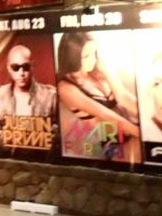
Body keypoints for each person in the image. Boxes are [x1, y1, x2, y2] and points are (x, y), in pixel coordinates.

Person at [56, 32, 140, 160]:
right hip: (113, 142)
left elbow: (123, 96)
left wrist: (147, 117)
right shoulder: (65, 88)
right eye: (86, 56)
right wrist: (141, 132)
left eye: (94, 53)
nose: (93, 60)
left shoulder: (99, 66)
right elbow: (108, 116)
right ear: (72, 57)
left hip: (132, 125)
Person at [0, 44, 57, 120]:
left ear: (32, 66)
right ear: (8, 68)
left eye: (26, 67)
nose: (21, 73)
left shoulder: (50, 97)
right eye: (15, 67)